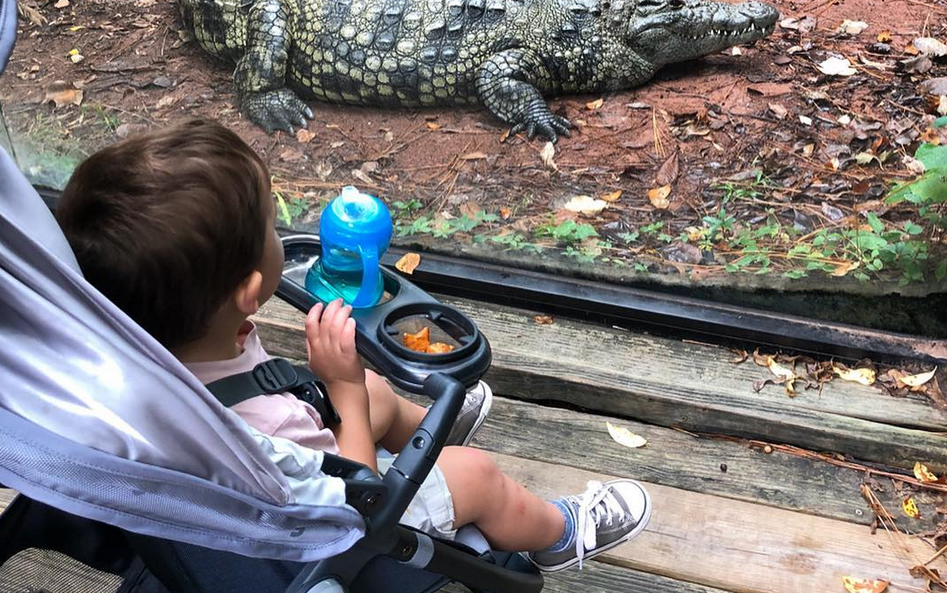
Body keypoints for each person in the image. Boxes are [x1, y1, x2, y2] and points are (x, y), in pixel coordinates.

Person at [57, 119, 651, 571]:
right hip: (329, 517)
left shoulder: (140, 338)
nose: (277, 229)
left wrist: (349, 389)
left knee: (369, 389)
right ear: (248, 291)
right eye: (269, 222)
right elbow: (354, 504)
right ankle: (557, 534)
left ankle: (431, 429)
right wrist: (340, 385)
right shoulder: (261, 428)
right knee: (473, 473)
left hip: (254, 462)